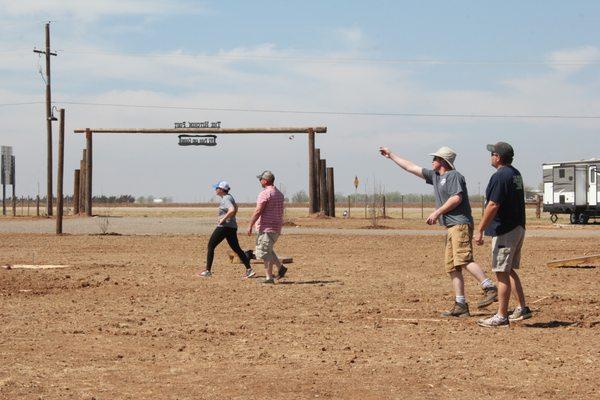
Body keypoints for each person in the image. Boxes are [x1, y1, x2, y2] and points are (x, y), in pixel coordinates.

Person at [379, 146, 498, 317]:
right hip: (451, 227)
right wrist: (391, 155)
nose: (432, 160)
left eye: (435, 158)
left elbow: (457, 198)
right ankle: (460, 305)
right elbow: (410, 167)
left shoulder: (454, 176)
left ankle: (489, 286)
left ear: (443, 161)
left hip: (460, 224)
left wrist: (437, 212)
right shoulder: (435, 176)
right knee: (452, 267)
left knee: (463, 259)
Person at [476, 142, 531, 327]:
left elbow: (493, 205)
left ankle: (501, 316)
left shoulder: (500, 176)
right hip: (517, 227)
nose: (490, 156)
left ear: (498, 157)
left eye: (492, 153)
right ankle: (522, 308)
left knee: (501, 272)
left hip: (505, 230)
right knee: (508, 270)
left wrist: (480, 228)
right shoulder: (515, 174)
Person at [198, 181, 255, 278]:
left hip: (224, 227)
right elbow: (236, 207)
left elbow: (232, 209)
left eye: (216, 188)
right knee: (236, 249)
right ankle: (249, 270)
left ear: (221, 190)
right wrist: (231, 217)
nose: (215, 190)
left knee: (211, 246)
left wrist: (223, 219)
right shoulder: (230, 197)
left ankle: (208, 271)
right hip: (232, 227)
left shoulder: (225, 199)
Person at [247, 170, 287, 284]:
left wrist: (250, 224)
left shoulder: (264, 193)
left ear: (264, 181)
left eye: (260, 179)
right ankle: (280, 268)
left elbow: (258, 210)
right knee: (268, 249)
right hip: (276, 227)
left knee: (264, 252)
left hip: (266, 228)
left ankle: (269, 278)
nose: (260, 181)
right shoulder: (279, 194)